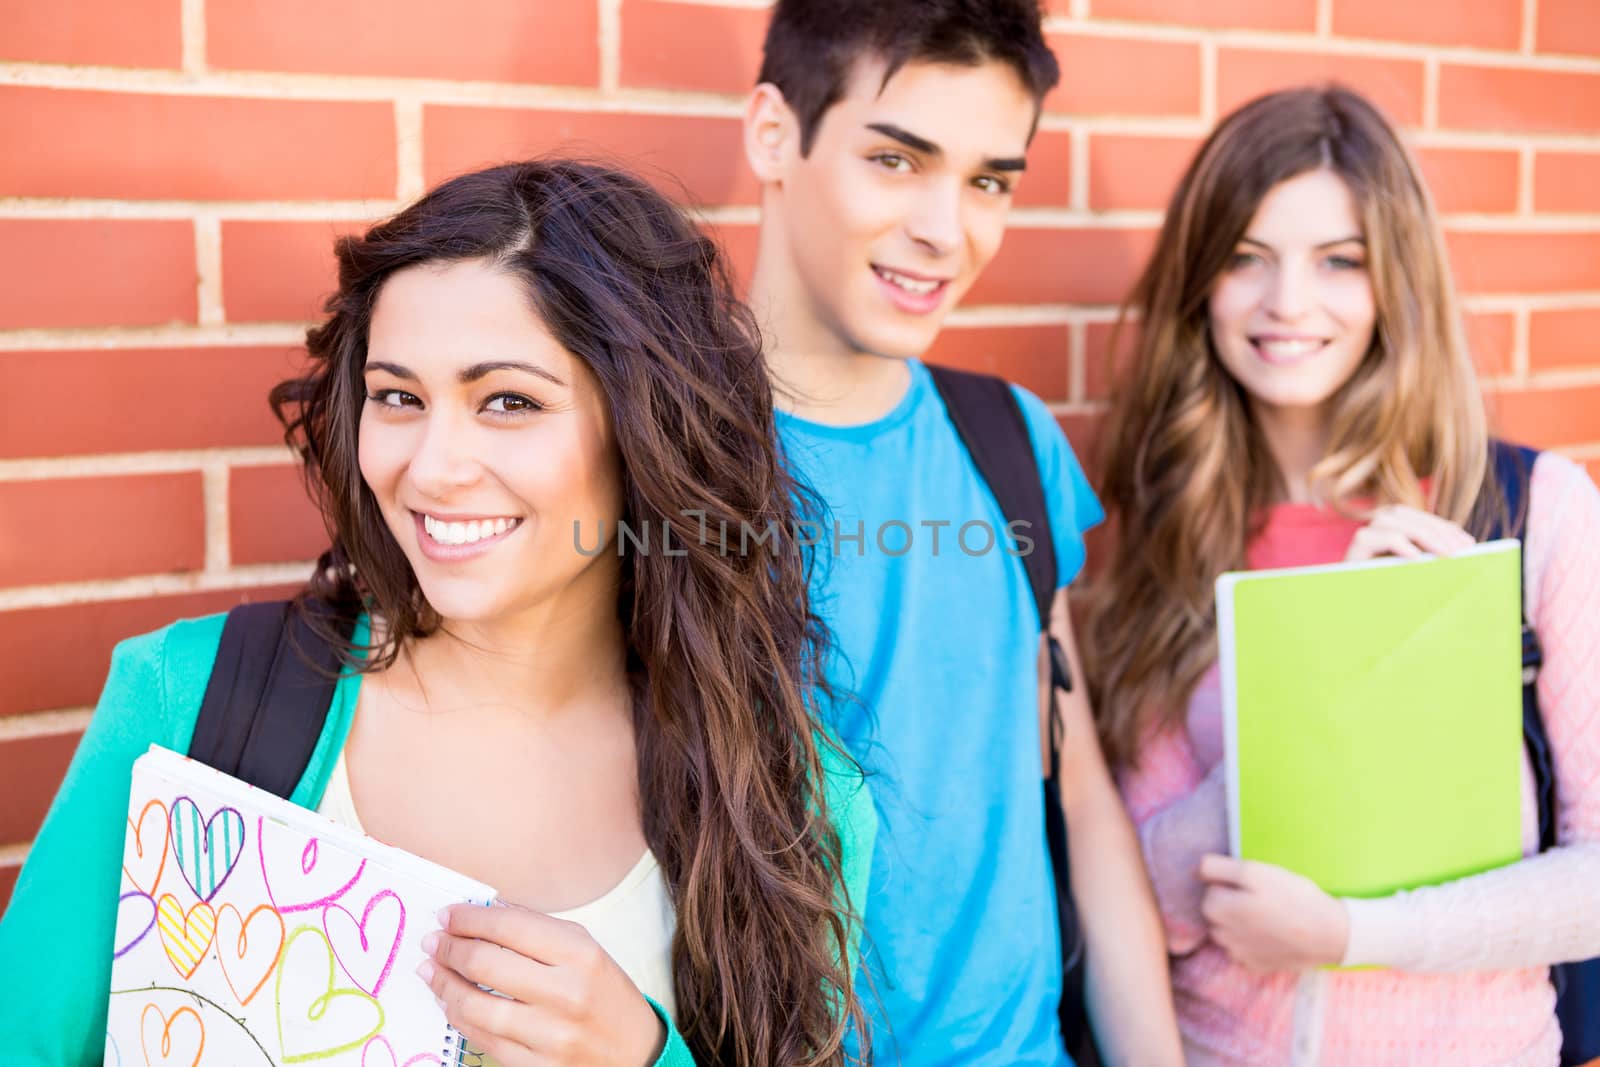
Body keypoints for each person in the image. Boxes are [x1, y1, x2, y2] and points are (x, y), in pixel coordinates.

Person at [0, 160, 875, 1067]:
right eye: (398, 397)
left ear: (646, 429)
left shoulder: (792, 799)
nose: (431, 466)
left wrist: (647, 1055)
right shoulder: (187, 698)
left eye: (508, 401)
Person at [1083, 85, 1600, 1064]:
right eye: (1245, 258)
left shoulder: (1533, 515)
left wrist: (1357, 935)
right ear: (1201, 283)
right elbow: (1143, 899)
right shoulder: (1174, 527)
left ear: (1391, 282)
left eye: (1338, 262)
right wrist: (1314, 720)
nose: (1287, 303)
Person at [741, 2, 1182, 1063]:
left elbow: (1073, 788)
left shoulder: (1009, 441)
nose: (949, 229)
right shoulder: (661, 465)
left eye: (988, 179)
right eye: (897, 160)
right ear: (772, 136)